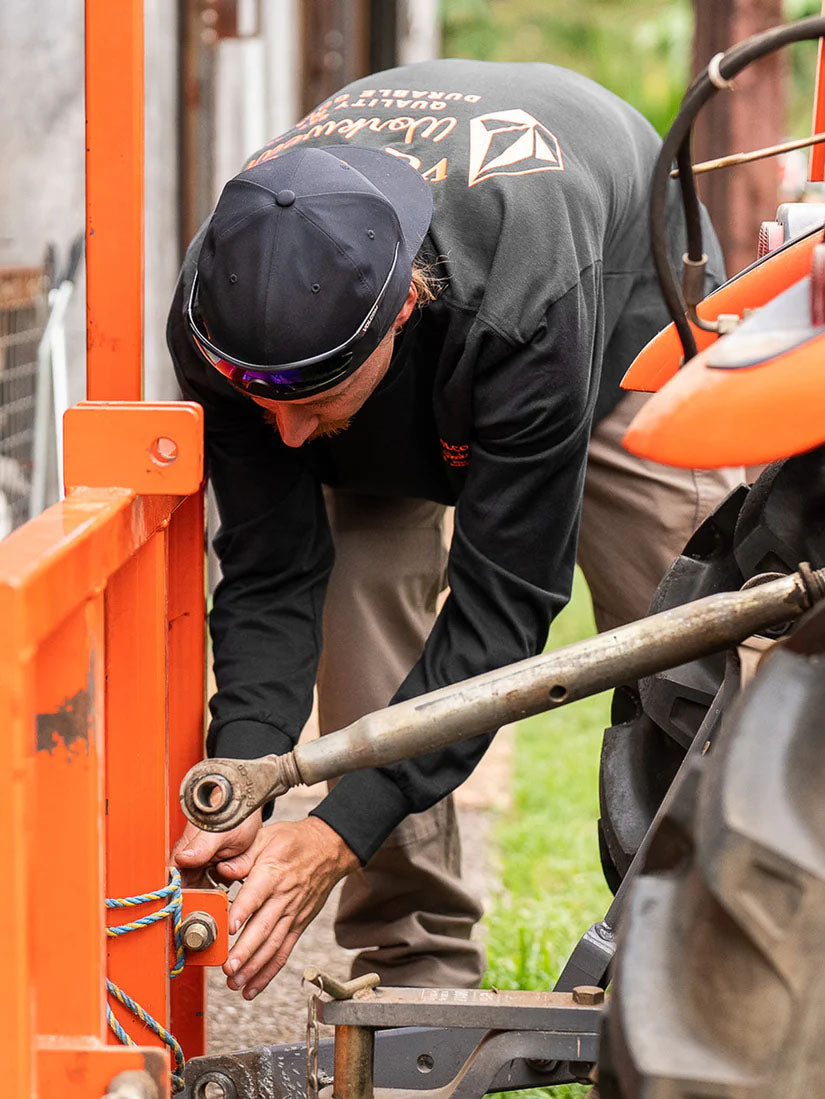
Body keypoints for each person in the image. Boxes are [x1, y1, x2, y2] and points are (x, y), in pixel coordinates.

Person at [168, 58, 741, 1001]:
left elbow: (502, 611)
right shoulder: (221, 315)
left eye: (313, 400)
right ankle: (415, 971)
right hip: (407, 365)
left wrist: (336, 831)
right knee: (360, 611)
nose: (287, 437)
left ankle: (695, 969)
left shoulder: (528, 296)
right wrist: (250, 766)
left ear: (403, 306)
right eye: (262, 402)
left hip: (618, 331)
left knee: (686, 648)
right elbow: (269, 569)